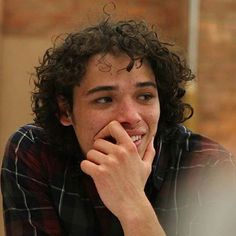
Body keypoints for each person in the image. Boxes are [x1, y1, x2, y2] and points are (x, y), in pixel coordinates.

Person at [1, 17, 236, 236]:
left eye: (145, 96)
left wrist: (133, 205)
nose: (131, 117)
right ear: (65, 110)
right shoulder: (35, 152)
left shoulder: (209, 167)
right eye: (104, 99)